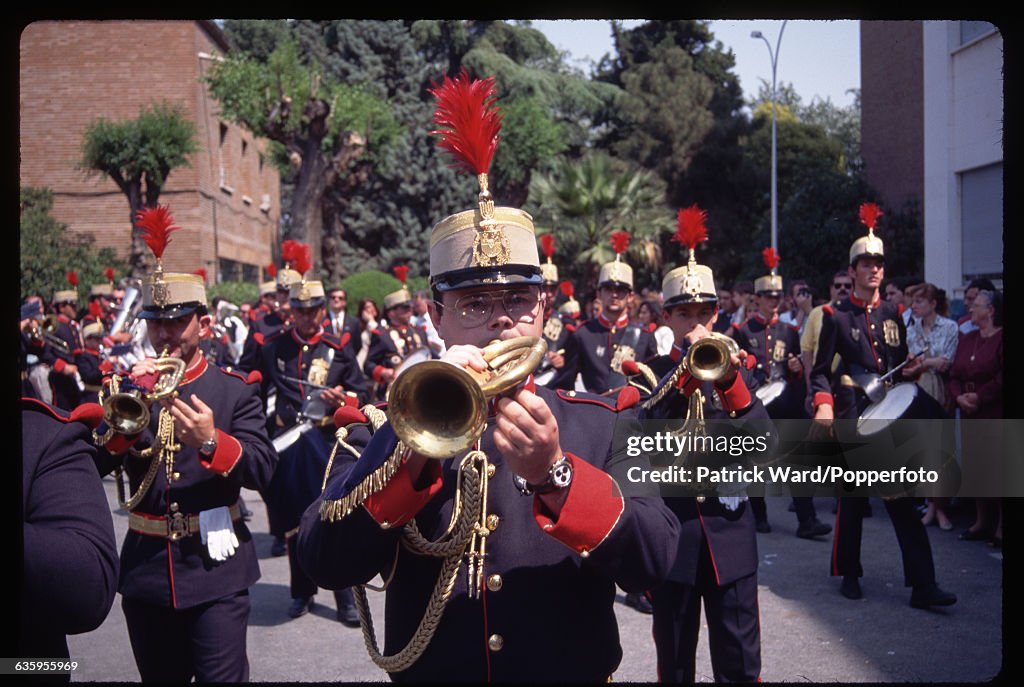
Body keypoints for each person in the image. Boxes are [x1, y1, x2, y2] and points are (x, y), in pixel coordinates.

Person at [296, 71, 679, 682]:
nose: (500, 321)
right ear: (436, 314)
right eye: (473, 303)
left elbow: (657, 559)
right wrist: (409, 448)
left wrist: (556, 477)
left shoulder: (599, 422)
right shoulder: (391, 431)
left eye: (519, 302)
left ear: (545, 314)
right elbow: (322, 559)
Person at [84, 204, 278, 682]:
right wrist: (120, 433)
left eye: (178, 322)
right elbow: (88, 471)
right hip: (148, 571)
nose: (166, 334)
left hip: (218, 571)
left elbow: (264, 470)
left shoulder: (234, 389)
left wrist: (213, 441)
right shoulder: (129, 388)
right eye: (156, 322)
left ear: (204, 325)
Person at [634, 204, 765, 683]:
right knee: (675, 661)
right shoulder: (649, 372)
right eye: (684, 313)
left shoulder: (736, 365)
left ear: (717, 313)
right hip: (675, 539)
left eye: (705, 313)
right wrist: (684, 380)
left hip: (731, 536)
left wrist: (731, 381)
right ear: (665, 316)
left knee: (740, 660)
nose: (696, 325)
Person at [810, 202, 956, 609]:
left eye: (878, 263)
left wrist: (909, 371)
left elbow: (899, 362)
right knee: (853, 500)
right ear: (853, 269)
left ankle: (923, 586)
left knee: (901, 498)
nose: (873, 269)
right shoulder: (835, 317)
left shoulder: (894, 312)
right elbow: (820, 371)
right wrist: (823, 405)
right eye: (866, 263)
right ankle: (850, 572)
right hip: (855, 414)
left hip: (889, 413)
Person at [259, 276, 368, 624]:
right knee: (293, 522)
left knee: (334, 517)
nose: (307, 317)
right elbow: (255, 388)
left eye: (312, 311)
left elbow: (360, 393)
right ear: (292, 311)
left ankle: (345, 597)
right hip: (291, 444)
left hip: (325, 444)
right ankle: (301, 592)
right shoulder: (275, 346)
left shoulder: (338, 346)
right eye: (300, 311)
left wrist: (343, 401)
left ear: (322, 310)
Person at [730, 248, 831, 540]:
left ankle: (807, 520)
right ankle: (759, 514)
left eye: (778, 297)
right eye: (768, 297)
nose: (774, 302)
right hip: (758, 402)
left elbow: (797, 371)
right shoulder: (742, 330)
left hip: (785, 400)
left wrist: (797, 368)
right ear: (757, 299)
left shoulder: (789, 331)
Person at [20, 398, 119, 674]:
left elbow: (90, 587)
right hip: (147, 569)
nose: (165, 350)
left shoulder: (40, 431)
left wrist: (211, 441)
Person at [561, 231, 659, 398]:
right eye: (608, 289)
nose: (614, 295)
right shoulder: (583, 334)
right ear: (599, 294)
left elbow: (653, 383)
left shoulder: (644, 336)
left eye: (620, 290)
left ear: (630, 297)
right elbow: (564, 384)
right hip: (595, 414)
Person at [949, 288, 1003, 547]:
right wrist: (959, 396)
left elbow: (1002, 376)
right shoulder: (968, 338)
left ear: (990, 311)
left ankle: (1002, 525)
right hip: (968, 410)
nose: (971, 309)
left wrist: (979, 397)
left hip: (993, 411)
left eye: (977, 306)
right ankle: (982, 521)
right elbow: (955, 373)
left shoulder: (1002, 339)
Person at [903, 282, 959, 531]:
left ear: (933, 304)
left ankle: (941, 507)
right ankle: (930, 504)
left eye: (919, 302)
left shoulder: (949, 327)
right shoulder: (911, 326)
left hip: (940, 388)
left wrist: (924, 363)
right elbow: (912, 358)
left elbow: (946, 362)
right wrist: (927, 362)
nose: (913, 306)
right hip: (919, 387)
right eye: (912, 302)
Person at [363, 267, 432, 402]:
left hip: (423, 390)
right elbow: (368, 365)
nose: (409, 311)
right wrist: (383, 372)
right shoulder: (382, 334)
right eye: (404, 308)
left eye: (410, 307)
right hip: (394, 394)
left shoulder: (419, 331)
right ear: (391, 312)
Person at [535, 236, 579, 390]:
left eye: (552, 288)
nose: (548, 293)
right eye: (543, 287)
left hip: (552, 386)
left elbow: (574, 362)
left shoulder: (567, 324)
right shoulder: (521, 319)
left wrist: (563, 361)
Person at [324, 286, 364, 361]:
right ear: (329, 300)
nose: (336, 300)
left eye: (340, 298)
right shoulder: (321, 321)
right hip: (327, 362)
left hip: (348, 363)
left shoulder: (354, 322)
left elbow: (357, 345)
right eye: (333, 297)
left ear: (344, 302)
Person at [355, 296, 381, 371]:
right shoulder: (358, 327)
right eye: (368, 307)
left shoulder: (382, 324)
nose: (372, 309)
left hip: (376, 366)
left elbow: (380, 335)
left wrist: (371, 321)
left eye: (373, 306)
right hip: (361, 365)